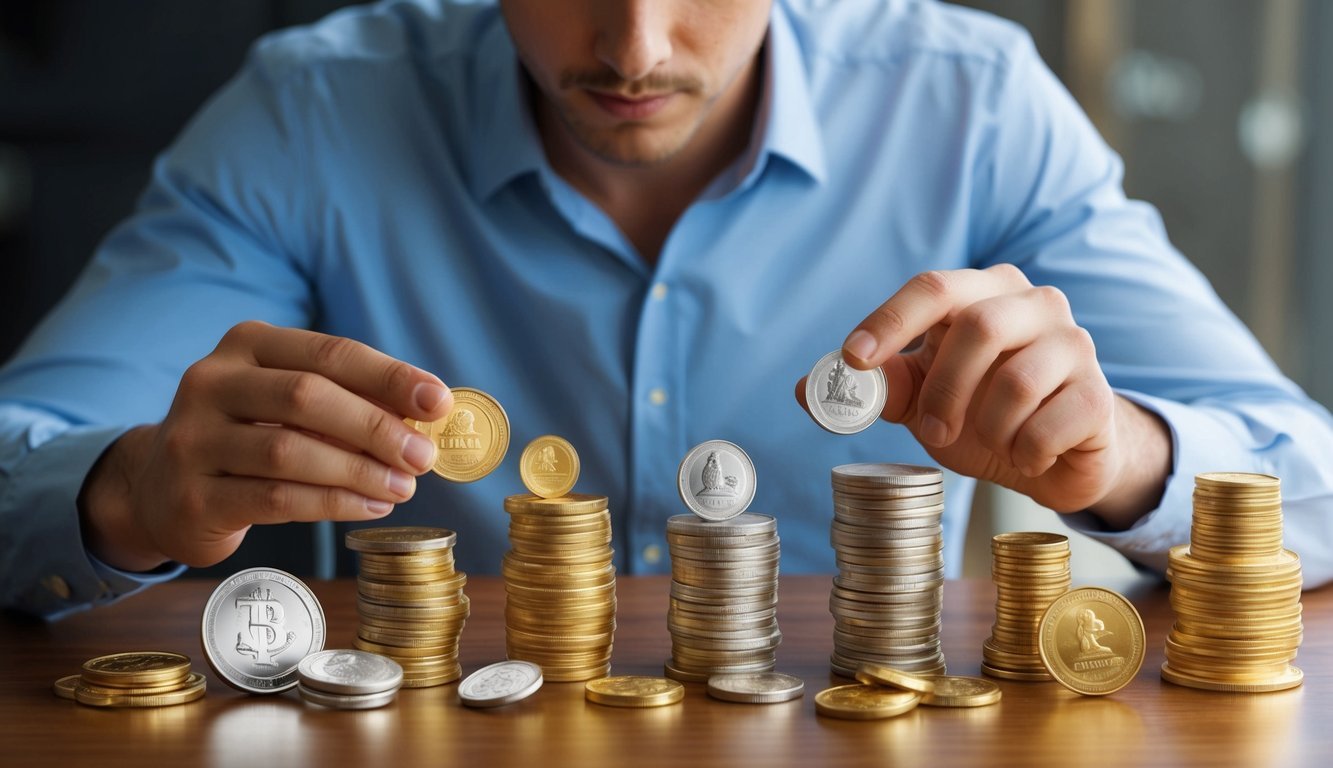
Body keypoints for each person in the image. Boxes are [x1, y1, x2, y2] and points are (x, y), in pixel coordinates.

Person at [2, 0, 1331, 620]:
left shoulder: (971, 105)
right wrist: (126, 493)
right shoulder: (308, 112)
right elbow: (23, 448)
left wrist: (1123, 460)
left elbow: (1312, 483)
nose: (632, 48)